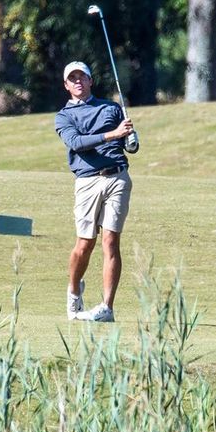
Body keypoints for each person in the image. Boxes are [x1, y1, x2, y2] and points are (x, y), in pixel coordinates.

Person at [55, 60, 134, 323]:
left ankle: (107, 308)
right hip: (87, 181)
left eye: (82, 77)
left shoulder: (112, 108)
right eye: (72, 78)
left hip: (117, 177)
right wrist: (112, 135)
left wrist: (131, 140)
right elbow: (76, 143)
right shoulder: (64, 116)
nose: (78, 81)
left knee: (111, 241)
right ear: (66, 85)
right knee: (84, 243)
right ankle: (74, 290)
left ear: (90, 81)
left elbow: (127, 141)